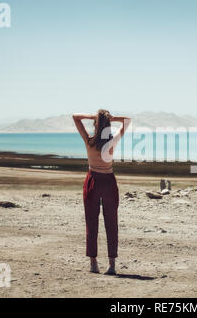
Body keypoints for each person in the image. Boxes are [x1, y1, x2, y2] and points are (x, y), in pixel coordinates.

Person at [72, 110, 131, 275]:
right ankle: (111, 265)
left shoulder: (89, 141)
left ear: (96, 125)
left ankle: (93, 263)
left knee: (91, 222)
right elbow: (127, 120)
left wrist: (94, 117)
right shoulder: (112, 142)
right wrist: (108, 119)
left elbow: (75, 117)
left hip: (92, 181)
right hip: (108, 181)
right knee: (111, 222)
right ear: (109, 125)